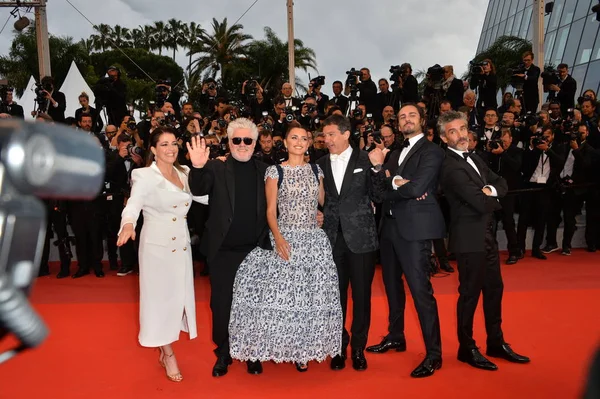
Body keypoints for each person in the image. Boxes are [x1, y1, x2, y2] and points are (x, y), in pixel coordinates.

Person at [227, 126, 343, 372]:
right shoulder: (275, 170)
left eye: (304, 138)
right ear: (286, 143)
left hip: (313, 241)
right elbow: (271, 211)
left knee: (307, 300)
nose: (299, 142)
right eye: (294, 138)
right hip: (285, 238)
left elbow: (323, 201)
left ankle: (302, 351)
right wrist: (278, 238)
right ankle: (259, 349)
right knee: (275, 298)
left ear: (310, 142)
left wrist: (322, 212)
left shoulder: (316, 170)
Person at [438, 111, 530, 371]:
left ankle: (495, 342)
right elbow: (479, 202)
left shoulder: (475, 157)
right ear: (445, 138)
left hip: (487, 236)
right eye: (453, 131)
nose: (461, 135)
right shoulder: (449, 166)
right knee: (469, 295)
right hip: (469, 239)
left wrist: (490, 190)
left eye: (463, 128)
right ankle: (466, 348)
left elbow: (501, 182)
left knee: (494, 290)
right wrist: (492, 195)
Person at [117, 126, 206, 382]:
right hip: (156, 248)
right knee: (158, 301)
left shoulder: (186, 172)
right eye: (164, 144)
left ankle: (165, 345)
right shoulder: (143, 175)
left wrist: (211, 170)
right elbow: (134, 204)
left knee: (176, 299)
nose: (171, 149)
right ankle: (168, 353)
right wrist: (128, 223)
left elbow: (206, 197)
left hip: (182, 247)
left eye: (174, 144)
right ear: (153, 150)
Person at [186, 118, 271, 377]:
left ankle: (252, 352)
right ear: (229, 141)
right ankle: (224, 352)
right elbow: (198, 188)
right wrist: (197, 167)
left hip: (256, 252)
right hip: (223, 251)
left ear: (255, 143)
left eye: (247, 140)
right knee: (222, 305)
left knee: (255, 305)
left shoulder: (267, 170)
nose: (242, 145)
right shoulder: (215, 168)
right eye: (237, 140)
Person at [367, 104, 445, 378]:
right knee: (391, 287)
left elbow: (418, 187)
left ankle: (434, 354)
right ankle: (396, 335)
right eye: (402, 117)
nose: (407, 119)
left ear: (422, 120)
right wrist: (387, 174)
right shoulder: (395, 153)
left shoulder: (432, 151)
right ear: (397, 125)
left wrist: (393, 181)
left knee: (421, 292)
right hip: (388, 228)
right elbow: (377, 191)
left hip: (414, 231)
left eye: (412, 115)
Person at [317, 115, 379, 371]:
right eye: (324, 135)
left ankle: (359, 349)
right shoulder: (318, 164)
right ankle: (339, 348)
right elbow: (316, 198)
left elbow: (378, 195)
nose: (326, 139)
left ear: (346, 134)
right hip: (332, 239)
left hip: (362, 239)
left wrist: (377, 169)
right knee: (336, 297)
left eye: (331, 134)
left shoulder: (366, 160)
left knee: (362, 297)